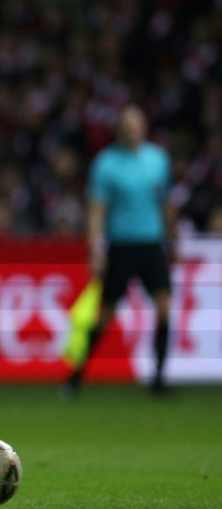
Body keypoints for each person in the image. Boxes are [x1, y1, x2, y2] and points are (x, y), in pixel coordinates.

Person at [61, 104, 175, 398]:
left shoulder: (158, 160)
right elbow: (97, 209)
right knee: (105, 315)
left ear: (144, 128)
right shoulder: (107, 163)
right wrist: (96, 248)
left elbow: (166, 203)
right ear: (119, 130)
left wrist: (172, 239)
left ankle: (159, 378)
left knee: (164, 308)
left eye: (136, 124)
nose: (132, 130)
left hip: (151, 244)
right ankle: (76, 375)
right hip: (121, 246)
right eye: (126, 125)